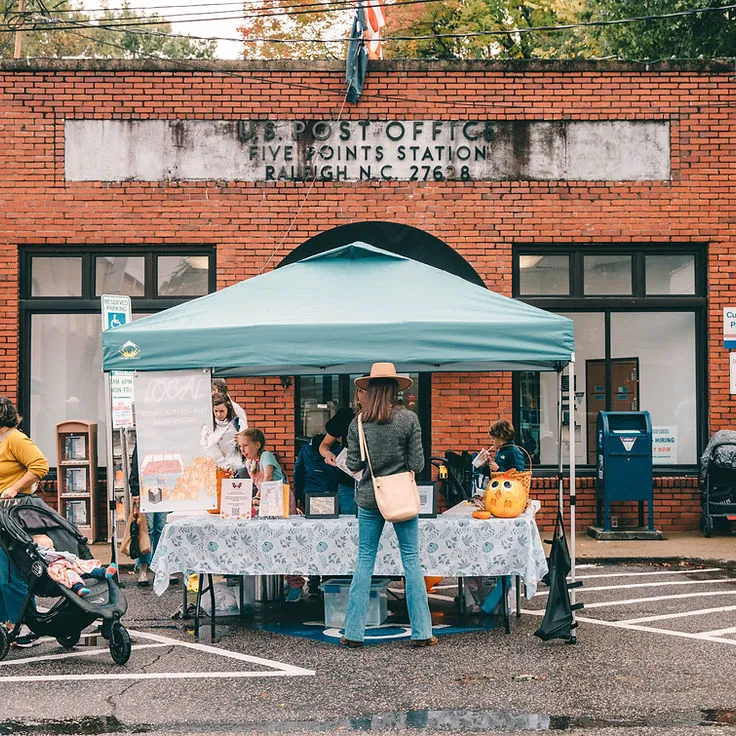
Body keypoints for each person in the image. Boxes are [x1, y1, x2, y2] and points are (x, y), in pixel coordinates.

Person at [342, 363, 435, 648]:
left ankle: (354, 633)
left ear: (369, 389)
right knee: (411, 560)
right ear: (396, 389)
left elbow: (353, 464)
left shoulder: (358, 422)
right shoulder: (408, 420)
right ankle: (422, 632)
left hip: (370, 497)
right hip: (401, 498)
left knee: (365, 560)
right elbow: (418, 464)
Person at [0, 397, 49, 647]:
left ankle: (22, 626)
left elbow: (40, 466)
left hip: (12, 513)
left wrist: (14, 488)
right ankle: (12, 623)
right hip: (2, 513)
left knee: (9, 572)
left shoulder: (15, 438)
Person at [128, 445, 168, 587]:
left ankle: (157, 567)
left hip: (164, 486)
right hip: (147, 487)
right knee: (147, 529)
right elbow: (135, 464)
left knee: (161, 529)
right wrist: (135, 489)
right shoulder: (145, 437)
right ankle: (144, 568)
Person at [32, 534, 117, 597]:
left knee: (86, 567)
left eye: (52, 547)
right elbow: (49, 556)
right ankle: (79, 588)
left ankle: (104, 572)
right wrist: (65, 555)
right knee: (72, 576)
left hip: (72, 565)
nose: (53, 549)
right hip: (63, 569)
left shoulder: (51, 553)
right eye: (49, 547)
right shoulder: (45, 554)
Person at [320, 405, 361, 515]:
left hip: (380, 483)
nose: (364, 394)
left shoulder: (388, 416)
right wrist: (328, 454)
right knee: (349, 522)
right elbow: (324, 445)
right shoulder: (347, 415)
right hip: (349, 482)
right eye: (360, 390)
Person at [200, 392, 243, 473]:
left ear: (228, 409)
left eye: (222, 411)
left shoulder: (238, 423)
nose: (218, 414)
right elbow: (203, 447)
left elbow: (248, 447)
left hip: (233, 467)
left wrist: (242, 440)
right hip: (213, 468)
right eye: (216, 411)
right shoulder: (207, 426)